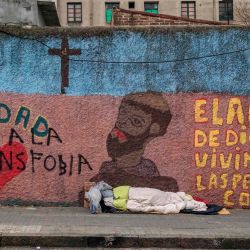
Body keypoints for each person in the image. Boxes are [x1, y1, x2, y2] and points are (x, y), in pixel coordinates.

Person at [90, 91, 179, 192]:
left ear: (153, 129)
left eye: (136, 121)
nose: (122, 123)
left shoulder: (149, 172)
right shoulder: (106, 170)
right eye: (122, 114)